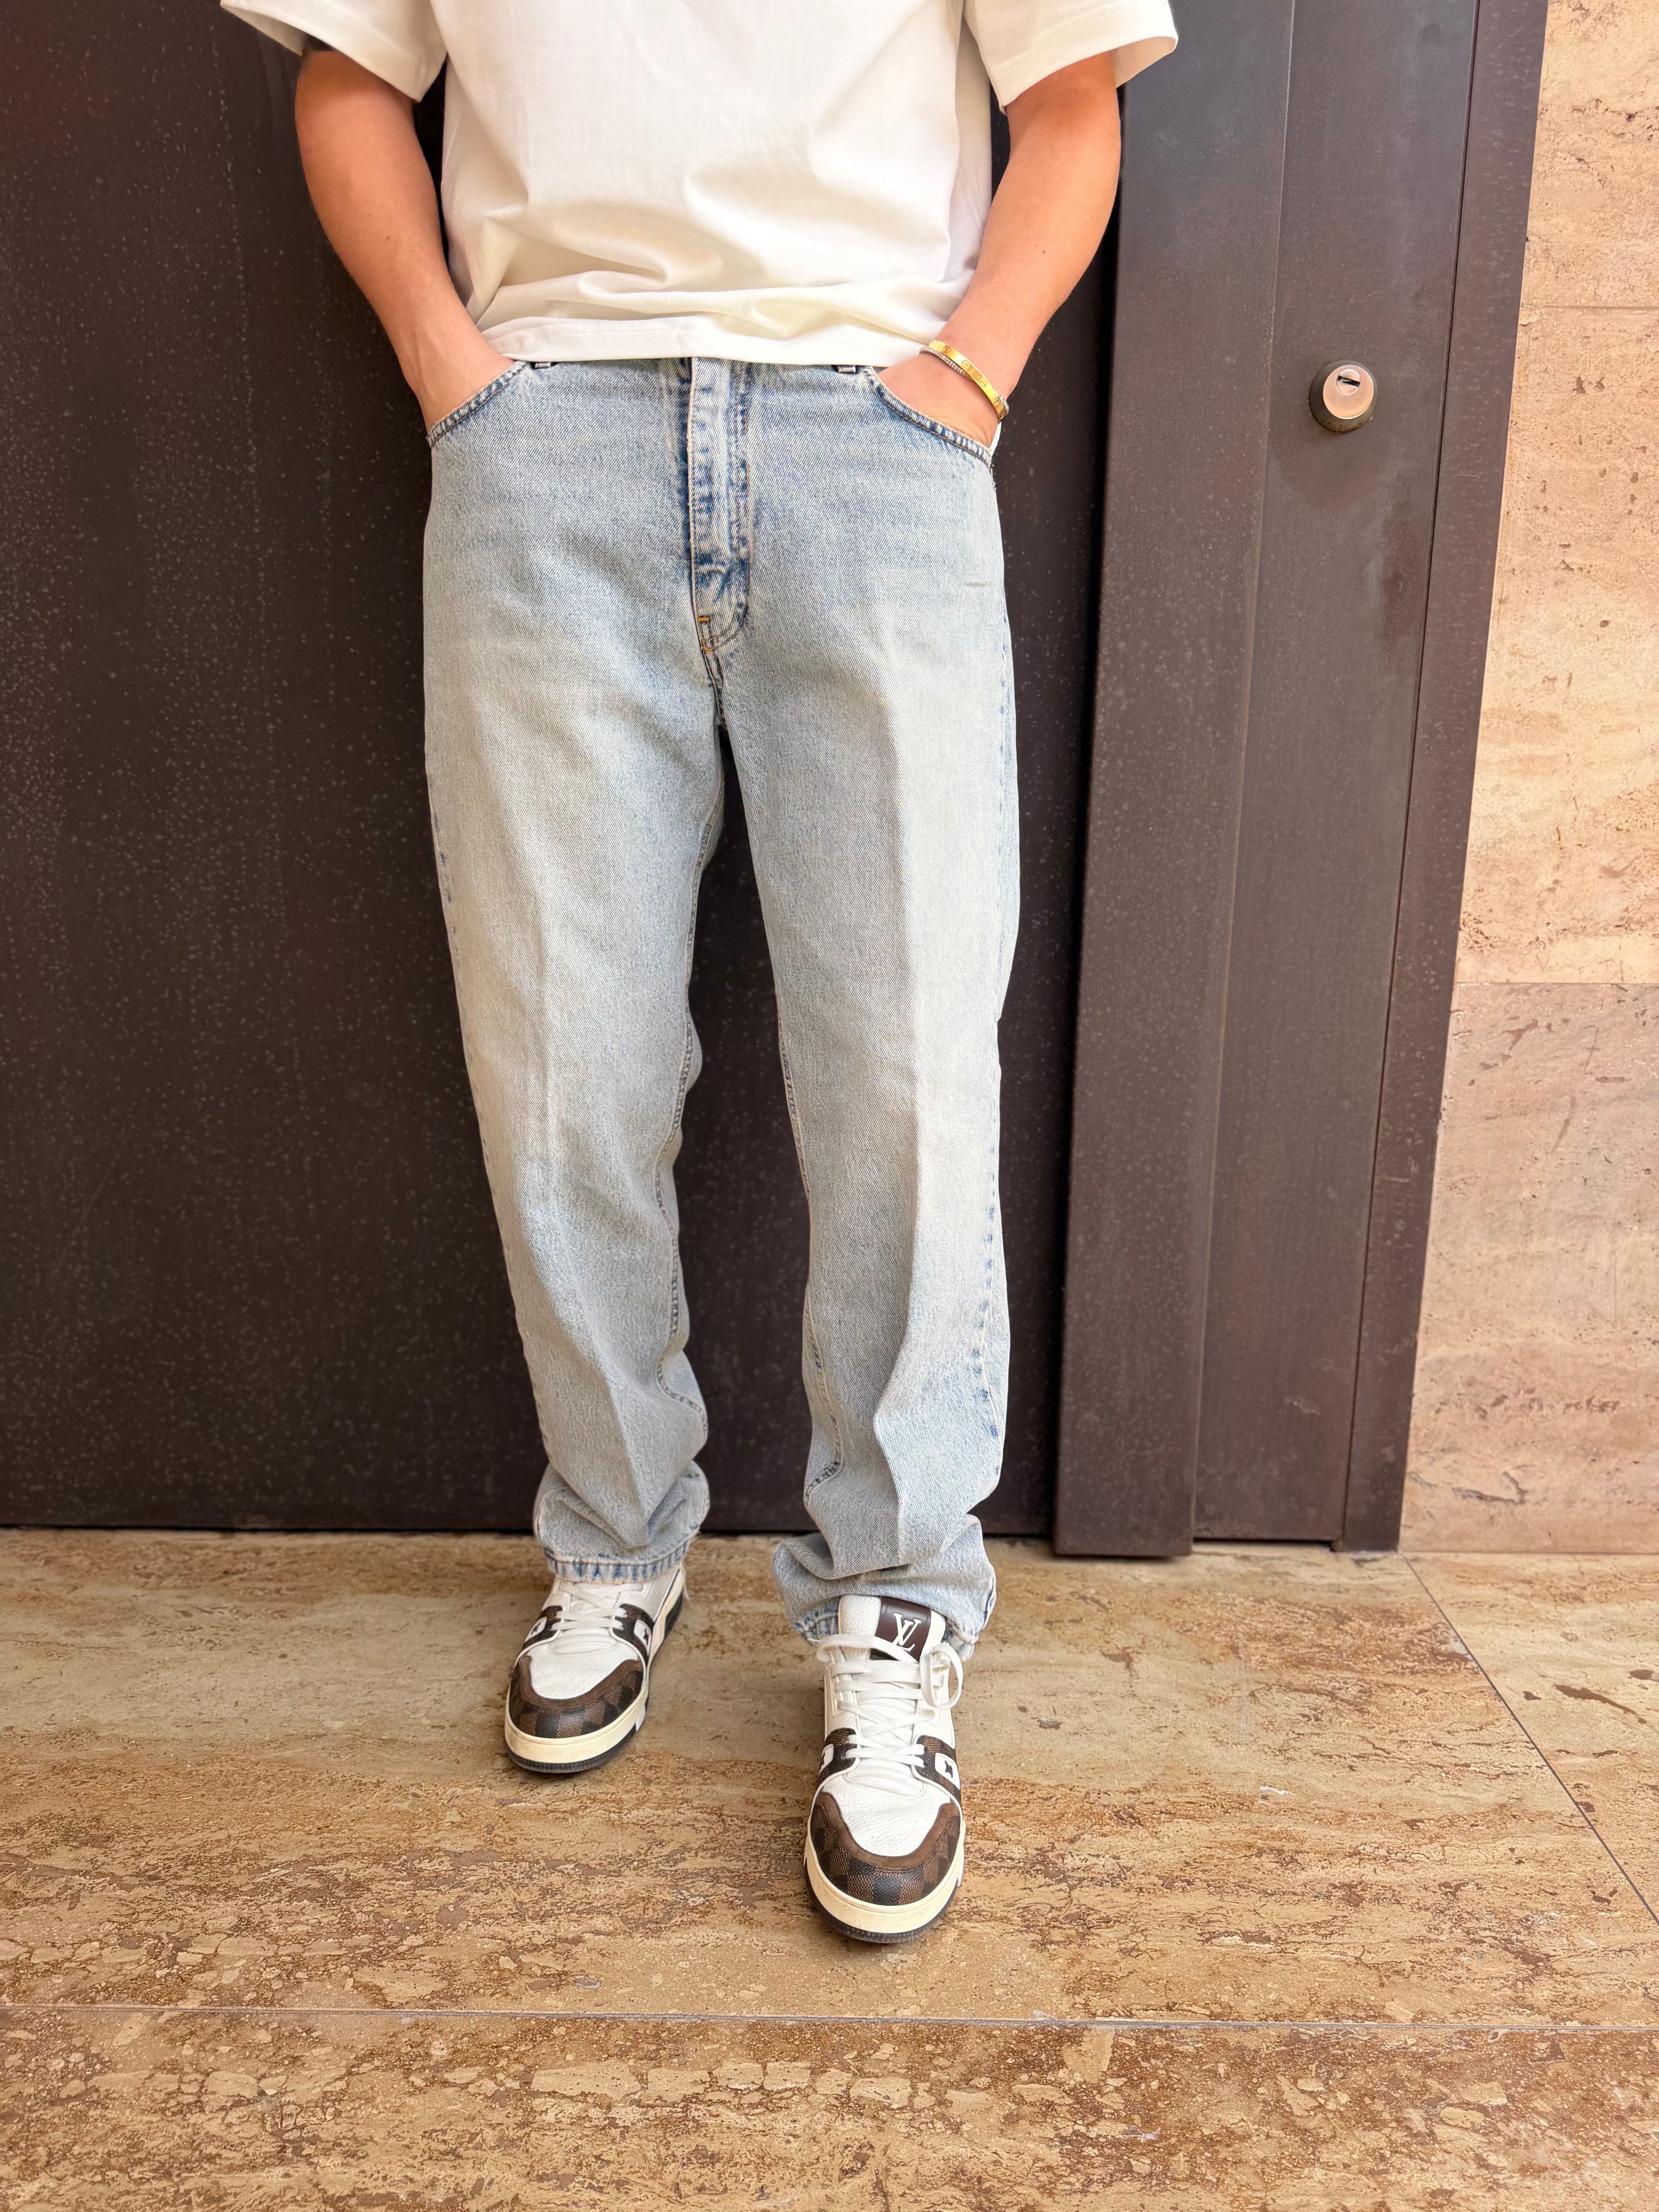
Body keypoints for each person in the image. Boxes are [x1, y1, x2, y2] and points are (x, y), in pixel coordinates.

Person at [224, 0, 1176, 1944]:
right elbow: (345, 78)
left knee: (907, 1069)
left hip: (870, 437)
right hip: (548, 441)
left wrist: (966, 378)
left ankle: (897, 1602)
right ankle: (612, 1541)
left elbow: (1070, 104)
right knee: (560, 1060)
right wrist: (457, 377)